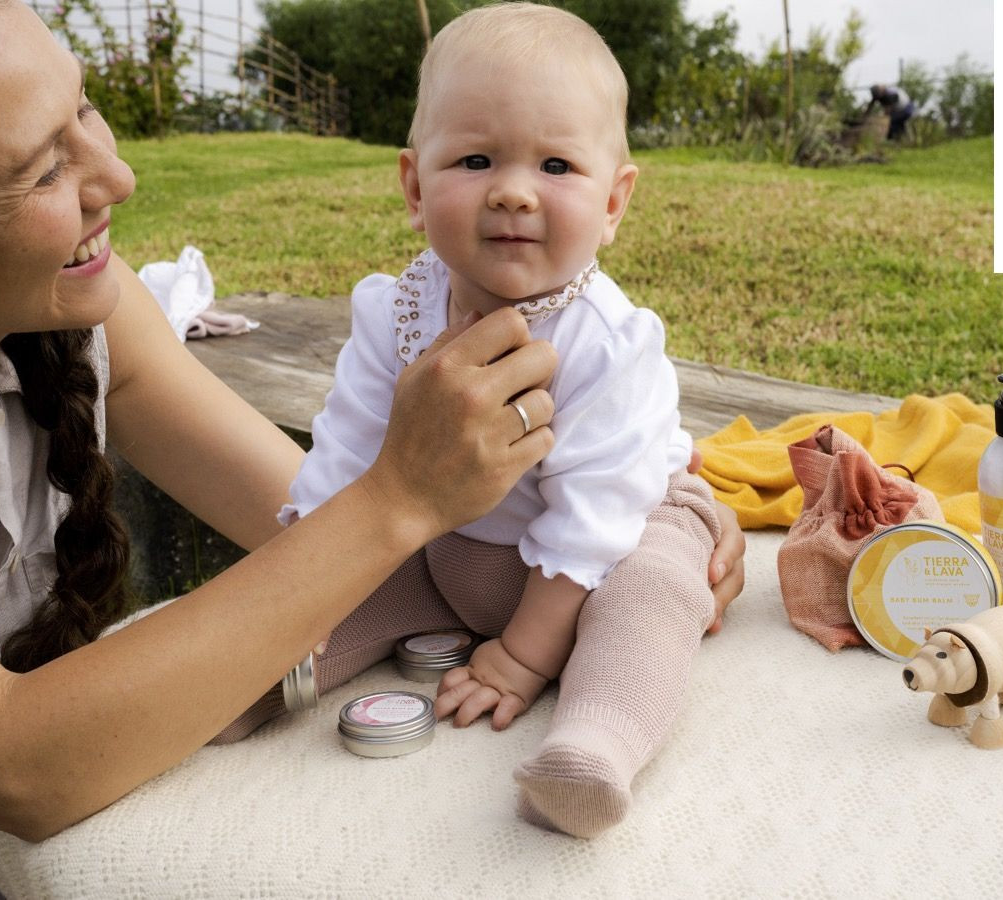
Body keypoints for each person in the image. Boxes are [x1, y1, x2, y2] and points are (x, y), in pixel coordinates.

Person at [0, 0, 747, 895]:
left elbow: (310, 529)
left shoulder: (76, 312)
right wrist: (401, 496)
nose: (120, 176)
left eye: (86, 111)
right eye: (44, 166)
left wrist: (650, 537)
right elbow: (15, 766)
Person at [275, 3, 725, 840]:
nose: (513, 191)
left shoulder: (608, 341)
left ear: (615, 201)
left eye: (557, 165)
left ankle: (594, 745)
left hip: (610, 550)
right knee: (359, 588)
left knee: (657, 592)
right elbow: (343, 459)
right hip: (451, 547)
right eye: (475, 159)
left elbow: (600, 512)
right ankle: (263, 672)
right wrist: (302, 584)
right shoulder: (394, 314)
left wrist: (522, 655)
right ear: (414, 186)